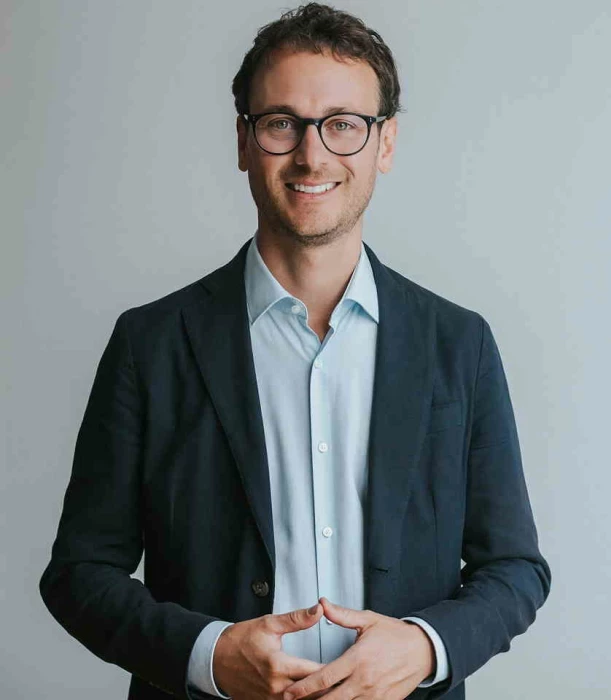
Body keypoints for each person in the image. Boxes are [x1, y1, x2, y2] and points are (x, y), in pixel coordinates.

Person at [39, 3, 551, 699]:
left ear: (385, 144)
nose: (312, 155)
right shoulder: (150, 344)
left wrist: (424, 647)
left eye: (344, 125)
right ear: (244, 141)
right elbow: (79, 574)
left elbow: (515, 569)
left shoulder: (460, 344)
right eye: (282, 123)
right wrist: (207, 655)